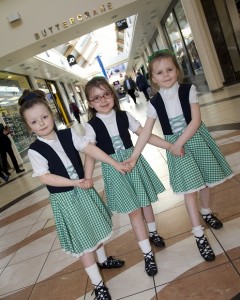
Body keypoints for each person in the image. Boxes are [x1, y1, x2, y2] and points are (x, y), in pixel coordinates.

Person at [18, 90, 130, 300]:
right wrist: (74, 183)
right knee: (84, 242)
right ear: (28, 127)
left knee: (95, 229)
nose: (41, 123)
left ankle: (104, 260)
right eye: (34, 122)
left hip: (83, 192)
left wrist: (114, 163)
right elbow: (46, 177)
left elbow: (89, 149)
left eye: (44, 117)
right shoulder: (35, 150)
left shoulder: (68, 134)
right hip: (66, 200)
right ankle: (99, 285)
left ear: (52, 114)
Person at [126, 50, 234, 262]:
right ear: (153, 78)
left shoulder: (188, 90)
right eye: (159, 72)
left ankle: (206, 212)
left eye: (169, 69)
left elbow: (195, 121)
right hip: (179, 150)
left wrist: (177, 144)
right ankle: (199, 235)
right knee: (190, 191)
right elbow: (146, 132)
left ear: (177, 70)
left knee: (205, 184)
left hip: (194, 140)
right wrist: (135, 156)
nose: (165, 75)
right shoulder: (154, 102)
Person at [84, 76, 170, 277]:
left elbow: (144, 133)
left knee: (146, 202)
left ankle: (153, 233)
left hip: (134, 163)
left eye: (106, 94)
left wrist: (169, 146)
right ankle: (147, 254)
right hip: (114, 170)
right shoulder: (91, 126)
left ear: (112, 95)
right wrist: (87, 178)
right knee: (133, 211)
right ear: (90, 103)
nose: (103, 100)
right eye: (96, 98)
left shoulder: (124, 116)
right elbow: (89, 152)